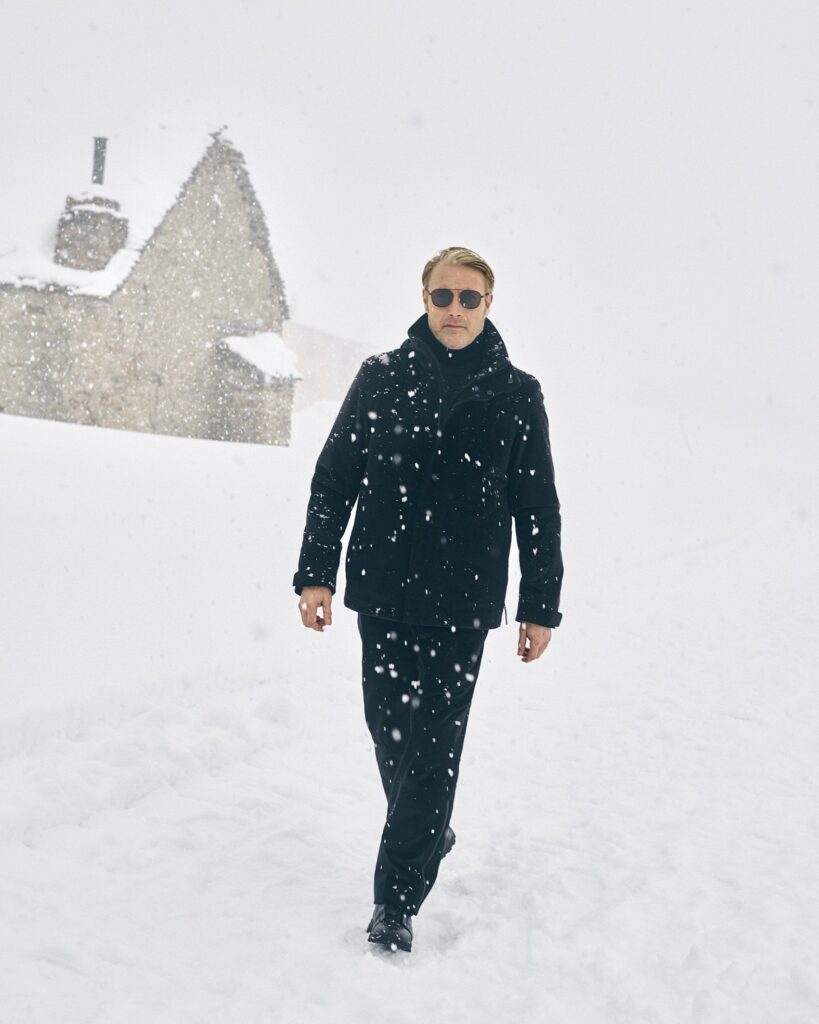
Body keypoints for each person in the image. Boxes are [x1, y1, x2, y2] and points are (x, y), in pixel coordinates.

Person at [293, 246, 563, 953]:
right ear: (424, 299)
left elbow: (536, 506)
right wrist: (316, 573)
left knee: (435, 744)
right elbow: (334, 479)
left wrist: (540, 605)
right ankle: (427, 828)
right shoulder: (381, 378)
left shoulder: (516, 394)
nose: (454, 309)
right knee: (390, 735)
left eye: (469, 298)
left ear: (488, 305)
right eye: (443, 296)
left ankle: (395, 900)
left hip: (463, 604)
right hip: (381, 592)